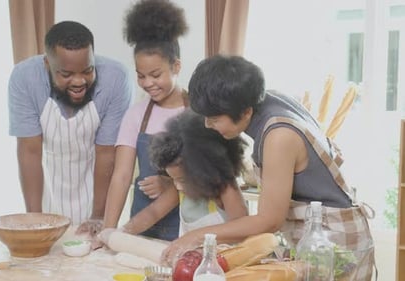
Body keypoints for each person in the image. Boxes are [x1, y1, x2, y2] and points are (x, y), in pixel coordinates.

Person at [161, 55, 375, 281]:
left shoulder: (278, 136)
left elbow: (269, 221)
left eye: (214, 118)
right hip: (321, 234)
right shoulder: (270, 100)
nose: (208, 124)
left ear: (245, 112)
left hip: (333, 240)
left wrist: (197, 236)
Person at [78, 0, 189, 241]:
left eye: (156, 74)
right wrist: (108, 230)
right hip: (140, 227)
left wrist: (171, 185)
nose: (148, 83)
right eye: (141, 76)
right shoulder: (137, 114)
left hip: (186, 229)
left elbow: (205, 177)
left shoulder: (197, 113)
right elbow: (121, 175)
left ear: (176, 66)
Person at [8, 21, 134, 225]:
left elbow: (107, 153)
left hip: (101, 187)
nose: (79, 81)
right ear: (47, 64)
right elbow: (30, 152)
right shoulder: (24, 78)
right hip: (49, 187)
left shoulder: (116, 79)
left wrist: (99, 219)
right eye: (66, 74)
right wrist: (34, 220)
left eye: (87, 71)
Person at [119, 109, 249, 237]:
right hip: (188, 256)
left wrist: (195, 238)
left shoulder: (226, 189)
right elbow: (153, 213)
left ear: (206, 170)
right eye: (173, 179)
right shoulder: (180, 189)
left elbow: (242, 229)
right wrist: (122, 231)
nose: (177, 186)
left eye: (182, 180)